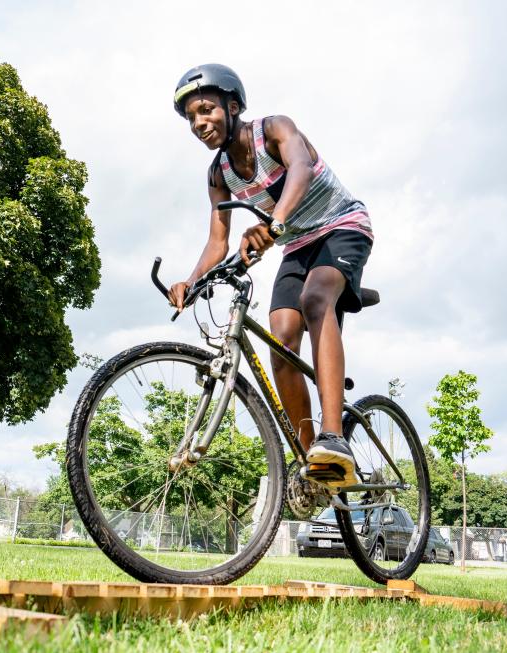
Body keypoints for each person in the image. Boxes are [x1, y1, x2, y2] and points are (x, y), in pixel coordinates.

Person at [168, 64, 373, 487]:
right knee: (281, 339)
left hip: (342, 226)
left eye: (206, 110)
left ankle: (334, 439)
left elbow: (299, 168)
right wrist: (190, 281)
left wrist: (274, 222)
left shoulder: (274, 129)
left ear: (234, 105)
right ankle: (310, 463)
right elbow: (217, 242)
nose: (199, 123)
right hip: (298, 245)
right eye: (191, 117)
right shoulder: (218, 173)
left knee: (316, 301)